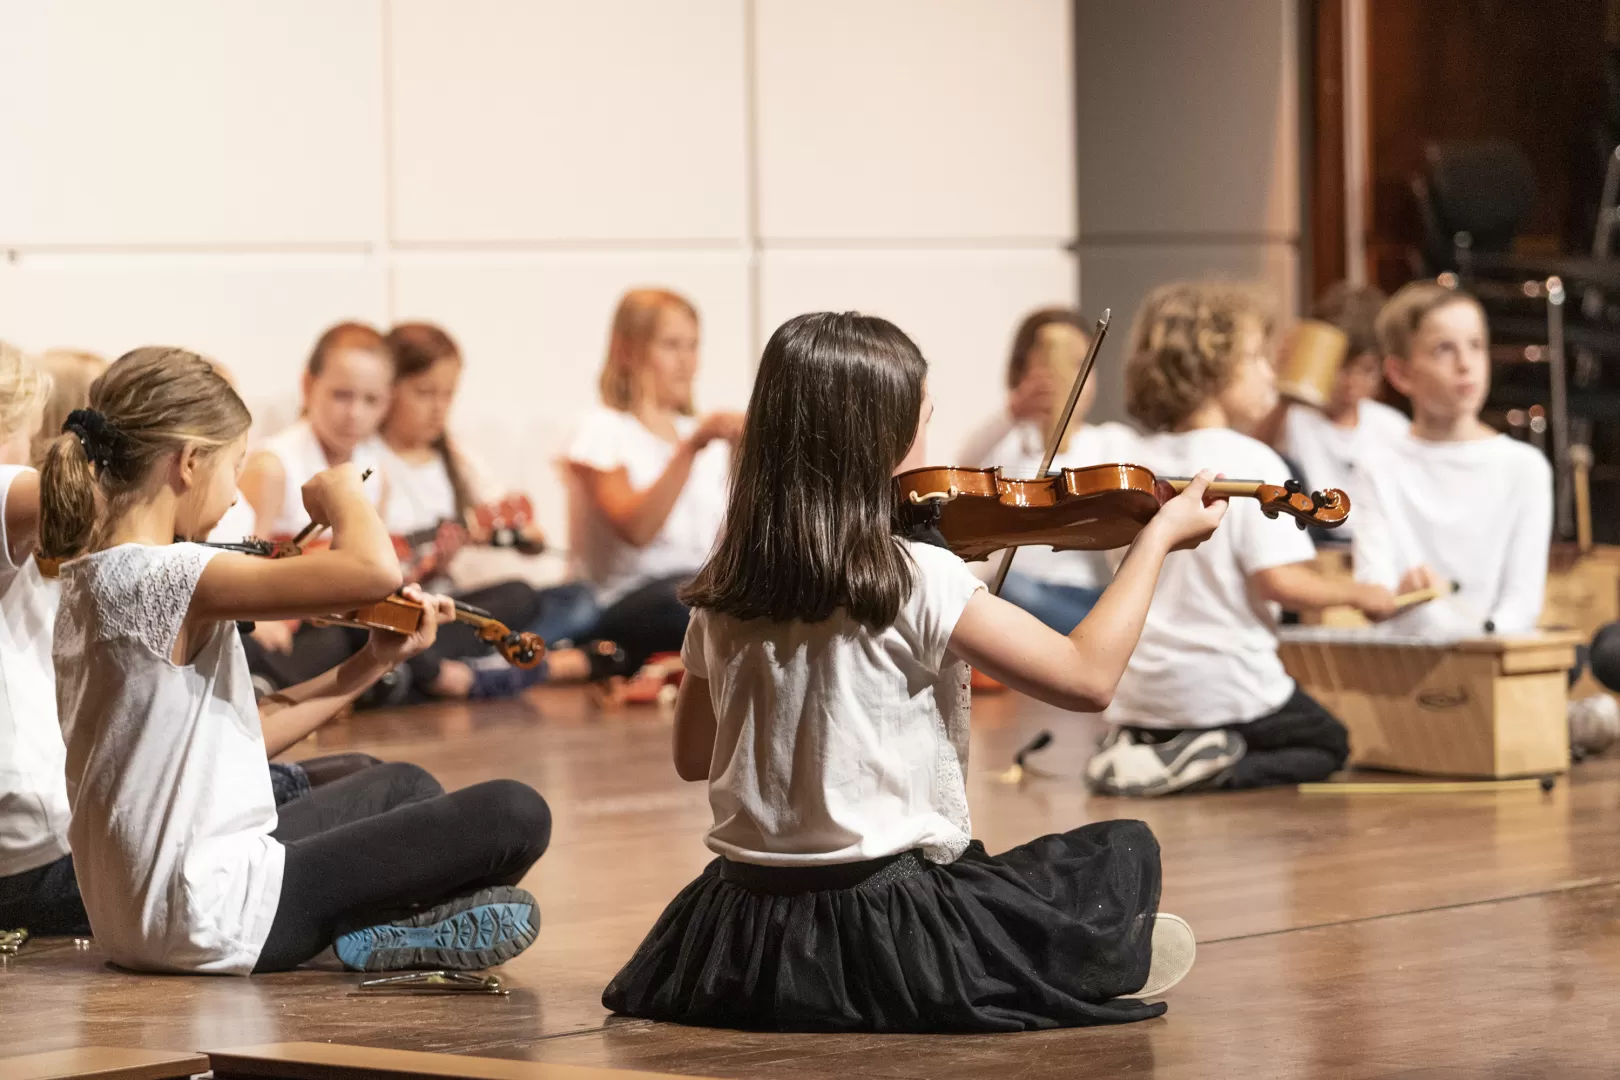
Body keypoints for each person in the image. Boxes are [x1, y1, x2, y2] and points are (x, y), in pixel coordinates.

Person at [603, 311, 1230, 1033]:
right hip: (883, 930)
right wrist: (1155, 541)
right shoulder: (915, 576)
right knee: (1117, 853)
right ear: (886, 436)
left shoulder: (725, 585)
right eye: (923, 420)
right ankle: (1077, 956)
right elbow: (1088, 678)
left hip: (738, 933)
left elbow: (692, 759)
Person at [42, 347, 550, 974]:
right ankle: (391, 925)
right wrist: (343, 491)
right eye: (234, 468)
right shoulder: (168, 573)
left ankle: (394, 928)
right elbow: (372, 570)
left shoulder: (93, 576)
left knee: (404, 788)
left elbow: (242, 740)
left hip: (137, 918)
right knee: (517, 811)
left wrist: (370, 664)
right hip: (212, 915)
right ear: (189, 463)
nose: (234, 496)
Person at [1083, 283, 1397, 798]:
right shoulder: (1249, 462)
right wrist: (1359, 594)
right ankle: (1204, 759)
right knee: (1326, 744)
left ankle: (1147, 744)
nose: (1270, 374)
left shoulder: (1134, 463)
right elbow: (1279, 582)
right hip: (1222, 687)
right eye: (1255, 358)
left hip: (1138, 691)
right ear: (1211, 369)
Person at [1349, 281, 1619, 751]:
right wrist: (1402, 596)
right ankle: (1551, 725)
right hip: (1415, 655)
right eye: (1443, 349)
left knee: (1566, 654)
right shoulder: (1376, 466)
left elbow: (1520, 603)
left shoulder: (1523, 468)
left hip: (1493, 654)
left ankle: (1528, 720)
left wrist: (1481, 645)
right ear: (1401, 372)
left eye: (1476, 345)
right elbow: (1375, 590)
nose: (1466, 363)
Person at [378, 322, 622, 688]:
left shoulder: (455, 459)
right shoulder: (368, 458)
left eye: (448, 395)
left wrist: (515, 536)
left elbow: (523, 527)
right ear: (389, 389)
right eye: (425, 393)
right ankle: (494, 672)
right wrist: (424, 568)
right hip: (400, 613)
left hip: (449, 609)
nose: (438, 408)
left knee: (578, 599)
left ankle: (467, 670)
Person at [564, 289, 743, 672]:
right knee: (698, 604)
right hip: (624, 599)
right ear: (629, 351)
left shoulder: (697, 434)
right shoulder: (602, 429)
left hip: (697, 585)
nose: (686, 362)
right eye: (671, 346)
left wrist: (747, 454)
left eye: (693, 346)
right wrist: (690, 449)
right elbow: (637, 527)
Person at [981, 308, 1140, 629]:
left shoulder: (1110, 441)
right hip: (1016, 595)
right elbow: (960, 471)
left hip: (1087, 595)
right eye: (1047, 363)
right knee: (997, 586)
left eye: (1080, 363)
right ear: (1022, 372)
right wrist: (1010, 414)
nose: (1067, 376)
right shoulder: (1008, 442)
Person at [0, 343, 85, 937]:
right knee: (393, 794)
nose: (31, 456)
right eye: (26, 438)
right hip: (36, 853)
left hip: (45, 835)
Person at [1269, 284, 1408, 520]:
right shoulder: (1291, 419)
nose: (1351, 381)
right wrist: (1285, 393)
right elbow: (1254, 460)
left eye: (1366, 369)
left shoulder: (1393, 427)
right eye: (1340, 367)